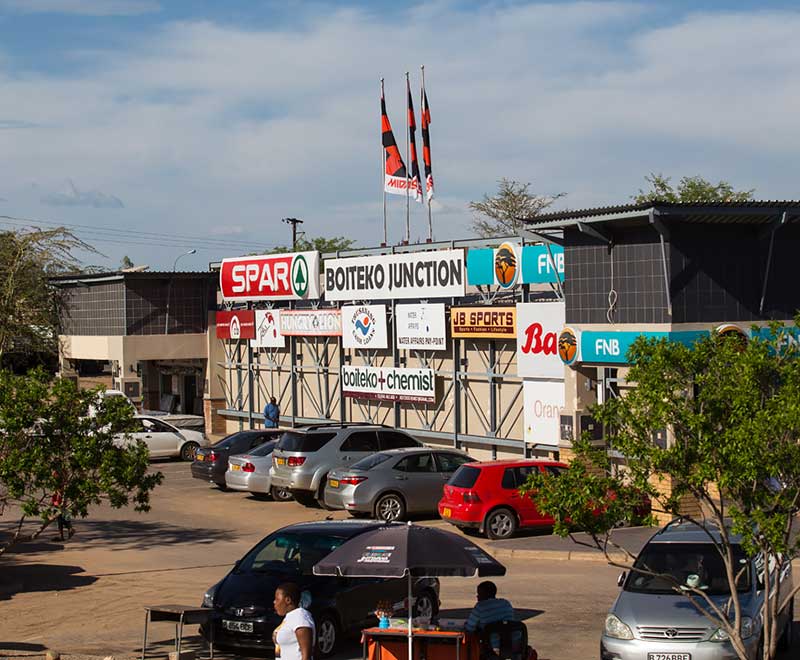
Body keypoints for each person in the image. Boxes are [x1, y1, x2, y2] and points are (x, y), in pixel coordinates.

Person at [273, 582, 315, 660]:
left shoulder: (300, 616)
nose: (274, 602)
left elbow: (306, 655)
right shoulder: (289, 617)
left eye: (277, 599)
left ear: (288, 600)